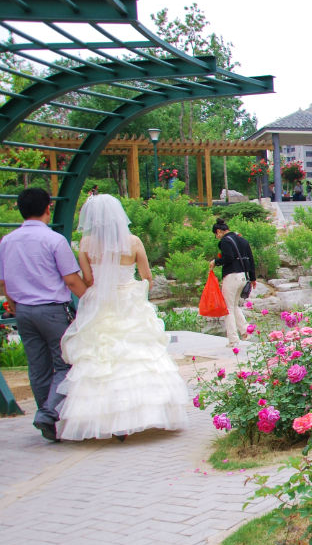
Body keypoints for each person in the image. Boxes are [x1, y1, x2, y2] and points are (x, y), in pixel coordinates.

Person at [54, 195, 189, 441]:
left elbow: (89, 280)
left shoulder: (85, 244)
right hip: (129, 300)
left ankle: (105, 419)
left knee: (101, 358)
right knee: (138, 355)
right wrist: (135, 291)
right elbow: (146, 276)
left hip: (101, 305)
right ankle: (143, 414)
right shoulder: (133, 241)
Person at [0, 187, 88, 441]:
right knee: (66, 363)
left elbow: (4, 283)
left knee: (38, 367)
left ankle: (44, 416)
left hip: (23, 311)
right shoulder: (54, 240)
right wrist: (91, 300)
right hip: (51, 311)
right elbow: (71, 280)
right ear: (49, 208)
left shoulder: (7, 241)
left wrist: (13, 304)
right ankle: (48, 413)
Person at [210, 219, 256, 346]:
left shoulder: (225, 241)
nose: (217, 237)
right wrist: (253, 278)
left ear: (219, 231)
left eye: (216, 234)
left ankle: (233, 339)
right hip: (243, 277)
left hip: (231, 276)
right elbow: (251, 259)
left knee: (228, 308)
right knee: (234, 305)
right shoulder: (242, 240)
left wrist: (216, 262)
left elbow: (228, 257)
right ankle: (246, 331)